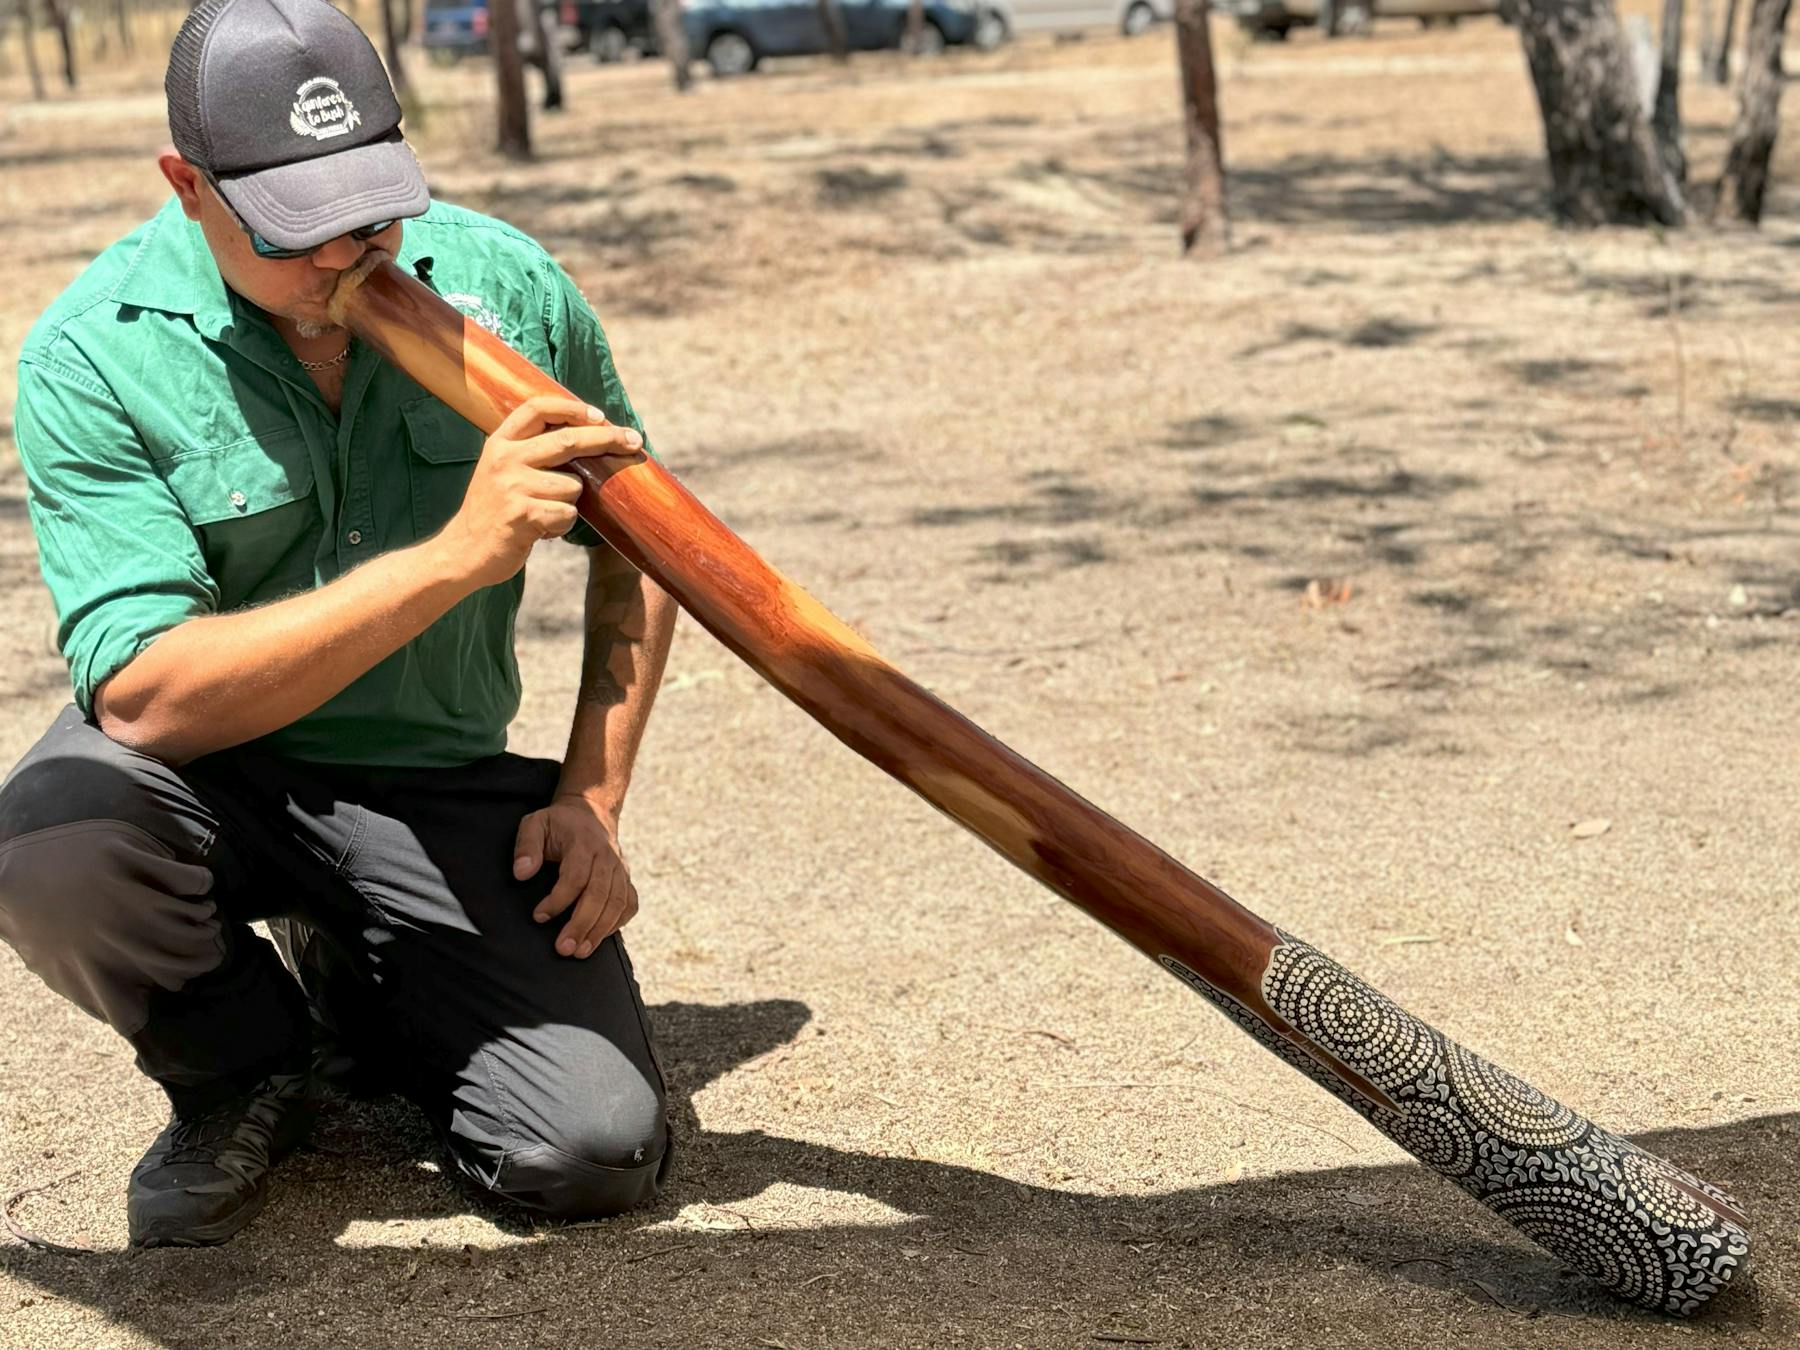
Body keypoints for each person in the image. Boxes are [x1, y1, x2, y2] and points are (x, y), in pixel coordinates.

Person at [0, 0, 677, 1247]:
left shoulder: (507, 291)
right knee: (55, 838)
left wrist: (591, 796)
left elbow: (652, 550)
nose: (347, 262)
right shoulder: (91, 355)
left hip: (436, 776)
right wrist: (454, 561)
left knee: (586, 1157)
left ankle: (367, 978)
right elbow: (144, 698)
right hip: (212, 778)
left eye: (373, 214)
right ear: (188, 187)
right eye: (297, 232)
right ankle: (238, 1071)